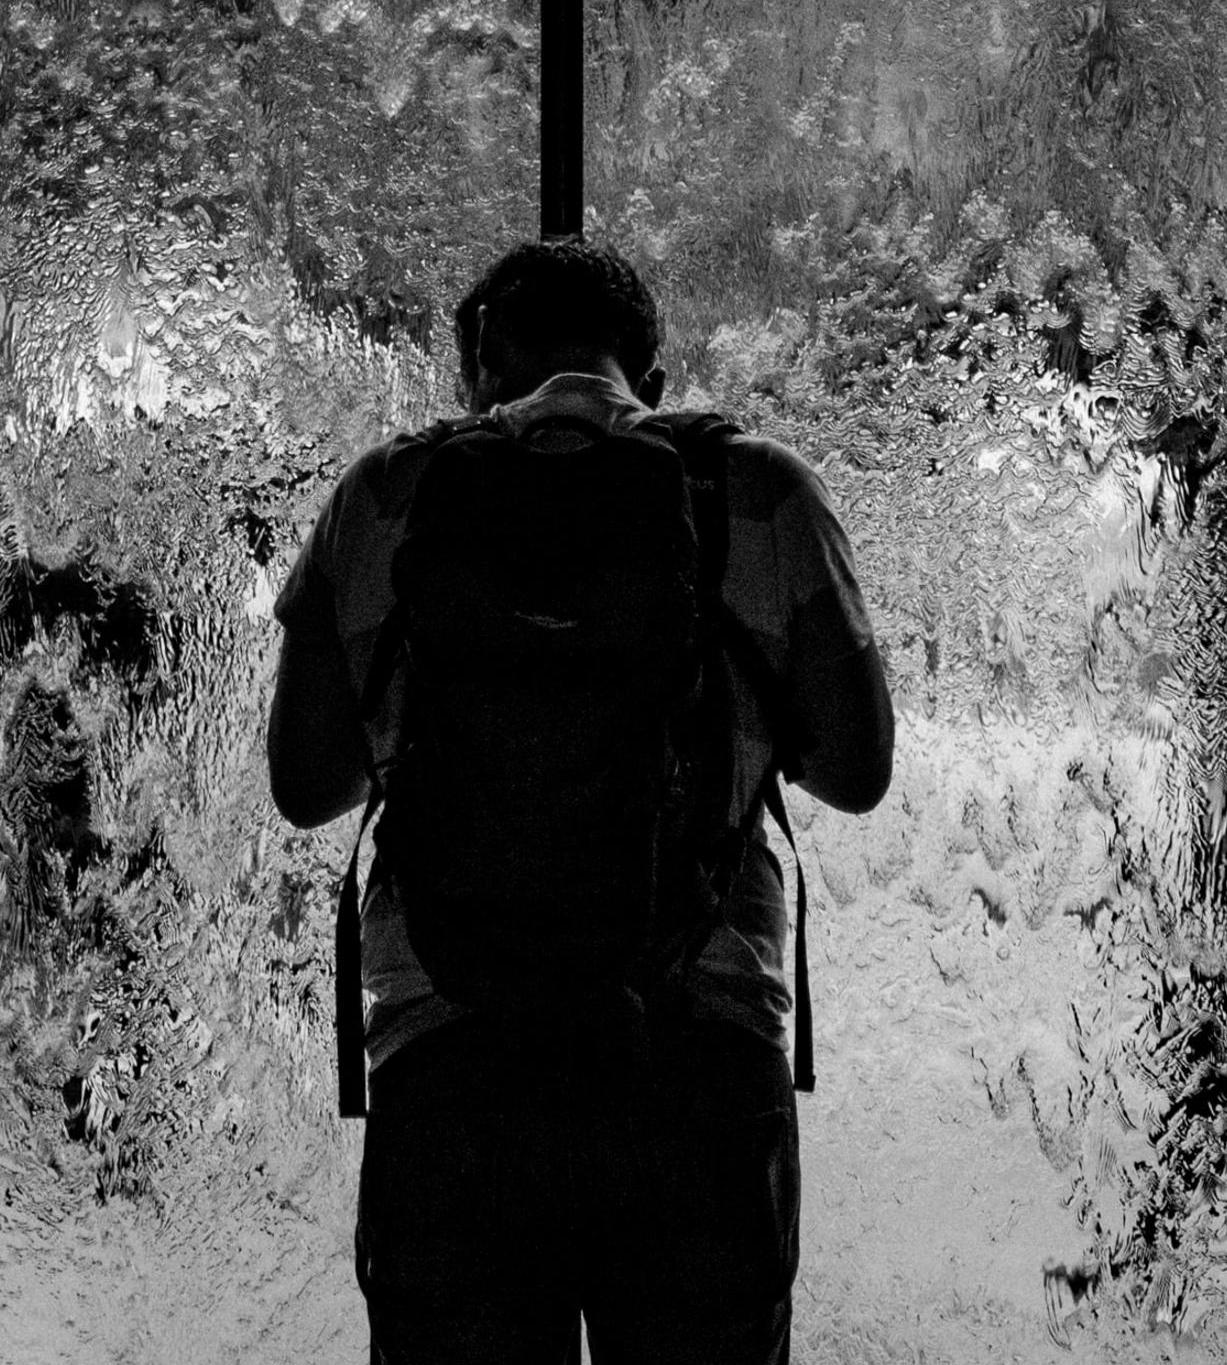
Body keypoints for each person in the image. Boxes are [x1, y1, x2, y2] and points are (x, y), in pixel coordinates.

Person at [267, 236, 897, 1365]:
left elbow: (305, 785)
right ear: (649, 379)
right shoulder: (758, 487)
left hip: (453, 1053)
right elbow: (860, 769)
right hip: (695, 1056)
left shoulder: (389, 494)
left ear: (480, 367)